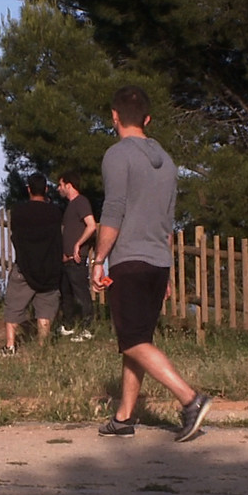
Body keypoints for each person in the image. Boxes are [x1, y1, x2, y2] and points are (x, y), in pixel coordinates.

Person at [91, 85, 211, 442]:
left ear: (114, 117)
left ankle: (190, 400)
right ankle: (124, 417)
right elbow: (167, 221)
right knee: (138, 339)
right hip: (157, 262)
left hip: (129, 259)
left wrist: (98, 260)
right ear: (148, 119)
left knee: (132, 341)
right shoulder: (168, 162)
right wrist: (168, 270)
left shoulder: (117, 155)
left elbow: (113, 211)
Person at [1, 173, 63, 355]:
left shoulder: (19, 211)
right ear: (46, 189)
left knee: (14, 306)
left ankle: (10, 345)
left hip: (25, 265)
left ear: (28, 189)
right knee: (45, 309)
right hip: (49, 267)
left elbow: (15, 235)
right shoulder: (55, 212)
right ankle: (42, 347)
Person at [56, 171, 97, 342]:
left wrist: (78, 244)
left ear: (68, 185)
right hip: (67, 260)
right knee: (66, 294)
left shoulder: (81, 202)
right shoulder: (71, 206)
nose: (58, 189)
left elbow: (91, 225)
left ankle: (88, 328)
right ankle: (68, 326)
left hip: (77, 259)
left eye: (60, 185)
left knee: (81, 294)